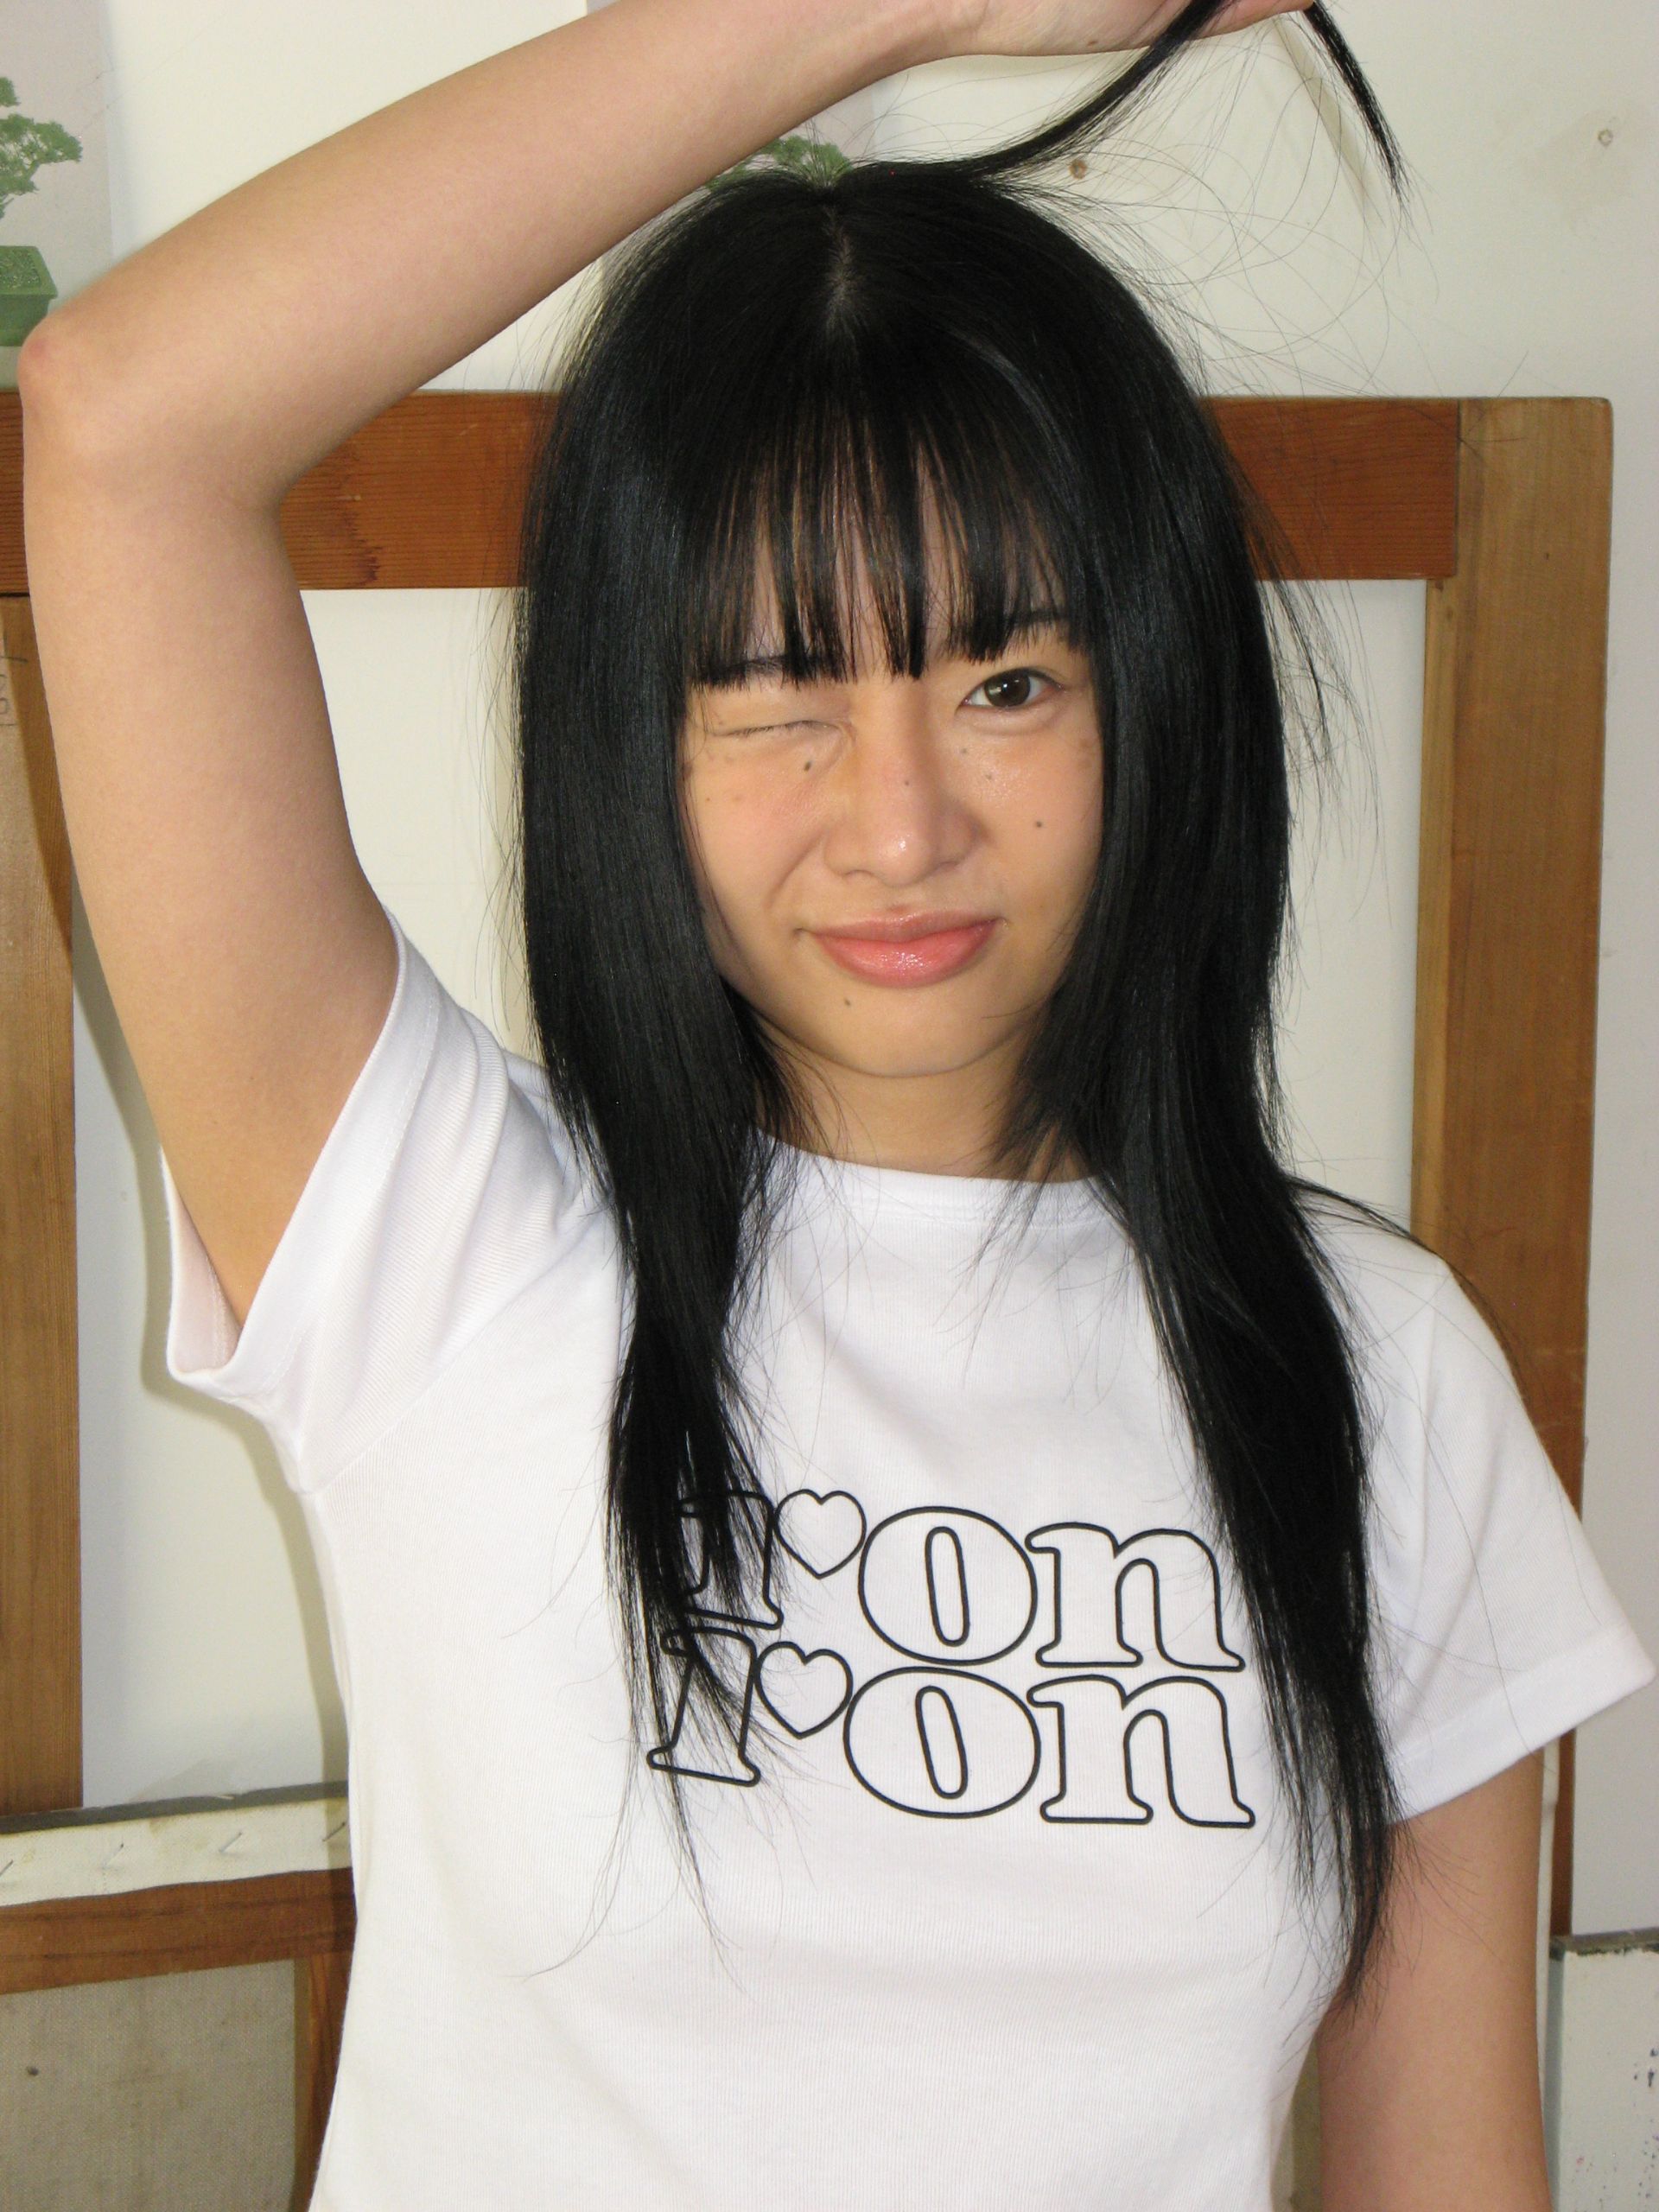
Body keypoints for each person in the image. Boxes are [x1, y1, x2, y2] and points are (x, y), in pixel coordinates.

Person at [18, 1, 1653, 2206]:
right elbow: (122, 421)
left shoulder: (1380, 1370)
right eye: (781, 691)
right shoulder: (439, 1246)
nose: (900, 826)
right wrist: (902, 6)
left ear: (1153, 704)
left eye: (1006, 680)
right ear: (639, 743)